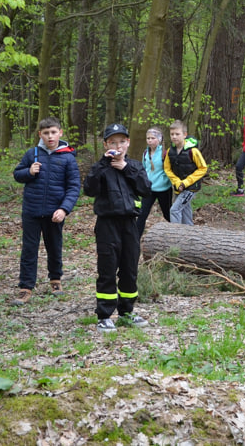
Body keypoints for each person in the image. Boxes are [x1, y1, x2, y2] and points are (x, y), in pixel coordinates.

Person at [83, 123, 152, 333]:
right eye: (113, 142)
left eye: (122, 141)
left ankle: (127, 311)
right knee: (107, 269)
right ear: (106, 144)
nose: (118, 146)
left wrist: (126, 168)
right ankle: (104, 315)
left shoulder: (134, 166)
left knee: (130, 269)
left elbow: (146, 189)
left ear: (128, 143)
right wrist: (104, 164)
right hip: (107, 224)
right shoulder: (100, 167)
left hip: (130, 224)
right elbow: (89, 189)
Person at [11, 117, 80, 305]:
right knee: (29, 249)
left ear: (60, 133)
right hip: (32, 211)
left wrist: (64, 209)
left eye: (53, 132)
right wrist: (29, 172)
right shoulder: (32, 154)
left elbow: (74, 187)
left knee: (54, 247)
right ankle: (25, 287)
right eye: (46, 133)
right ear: (40, 134)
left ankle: (55, 280)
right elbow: (17, 174)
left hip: (55, 213)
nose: (50, 136)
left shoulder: (68, 157)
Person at [164, 120, 208, 226]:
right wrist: (177, 182)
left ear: (184, 135)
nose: (174, 137)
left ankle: (176, 236)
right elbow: (167, 169)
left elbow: (203, 168)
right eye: (172, 134)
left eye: (177, 134)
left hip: (191, 188)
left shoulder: (193, 151)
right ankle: (189, 234)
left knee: (174, 210)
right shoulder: (170, 151)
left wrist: (186, 183)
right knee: (185, 211)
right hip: (178, 187)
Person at [135, 127, 172, 238]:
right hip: (149, 189)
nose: (150, 140)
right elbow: (144, 169)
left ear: (159, 139)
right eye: (148, 138)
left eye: (153, 138)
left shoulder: (165, 153)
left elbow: (169, 170)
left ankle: (180, 234)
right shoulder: (146, 152)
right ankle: (135, 239)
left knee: (168, 214)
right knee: (141, 215)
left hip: (164, 189)